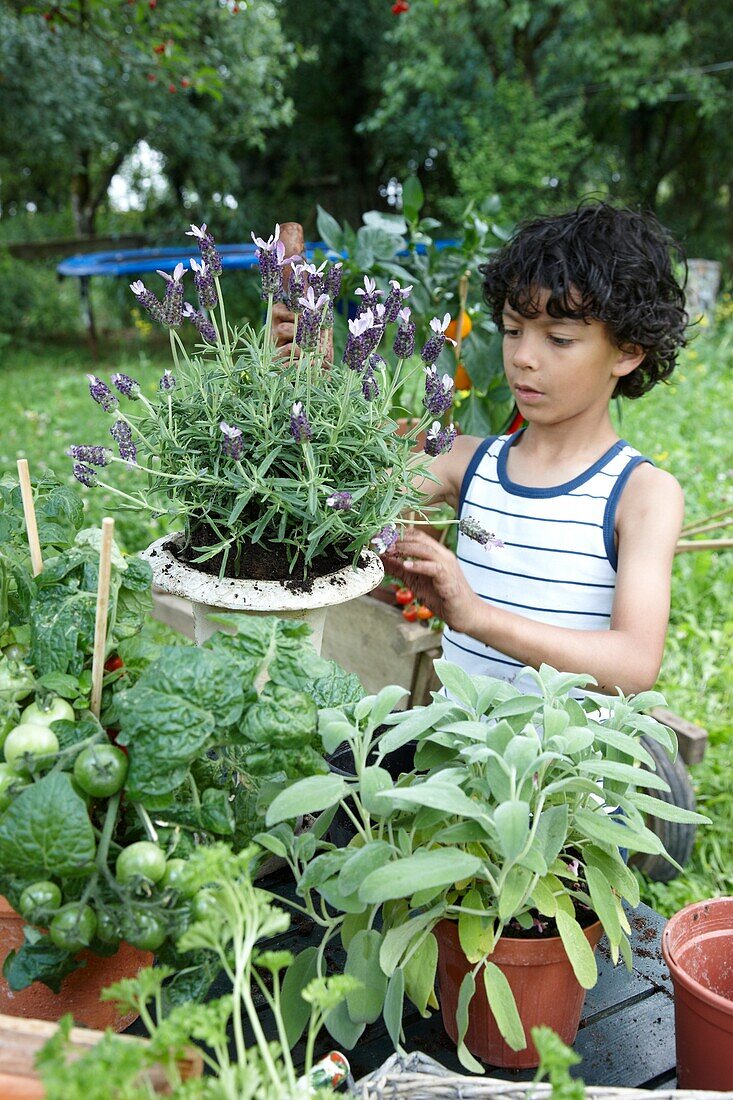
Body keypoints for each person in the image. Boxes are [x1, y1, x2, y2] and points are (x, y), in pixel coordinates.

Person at [380, 202, 688, 696]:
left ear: (628, 351)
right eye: (512, 330)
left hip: (557, 770)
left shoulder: (642, 494)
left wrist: (475, 615)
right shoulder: (465, 462)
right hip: (452, 759)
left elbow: (633, 664)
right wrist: (305, 364)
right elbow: (341, 487)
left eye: (560, 339)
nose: (523, 357)